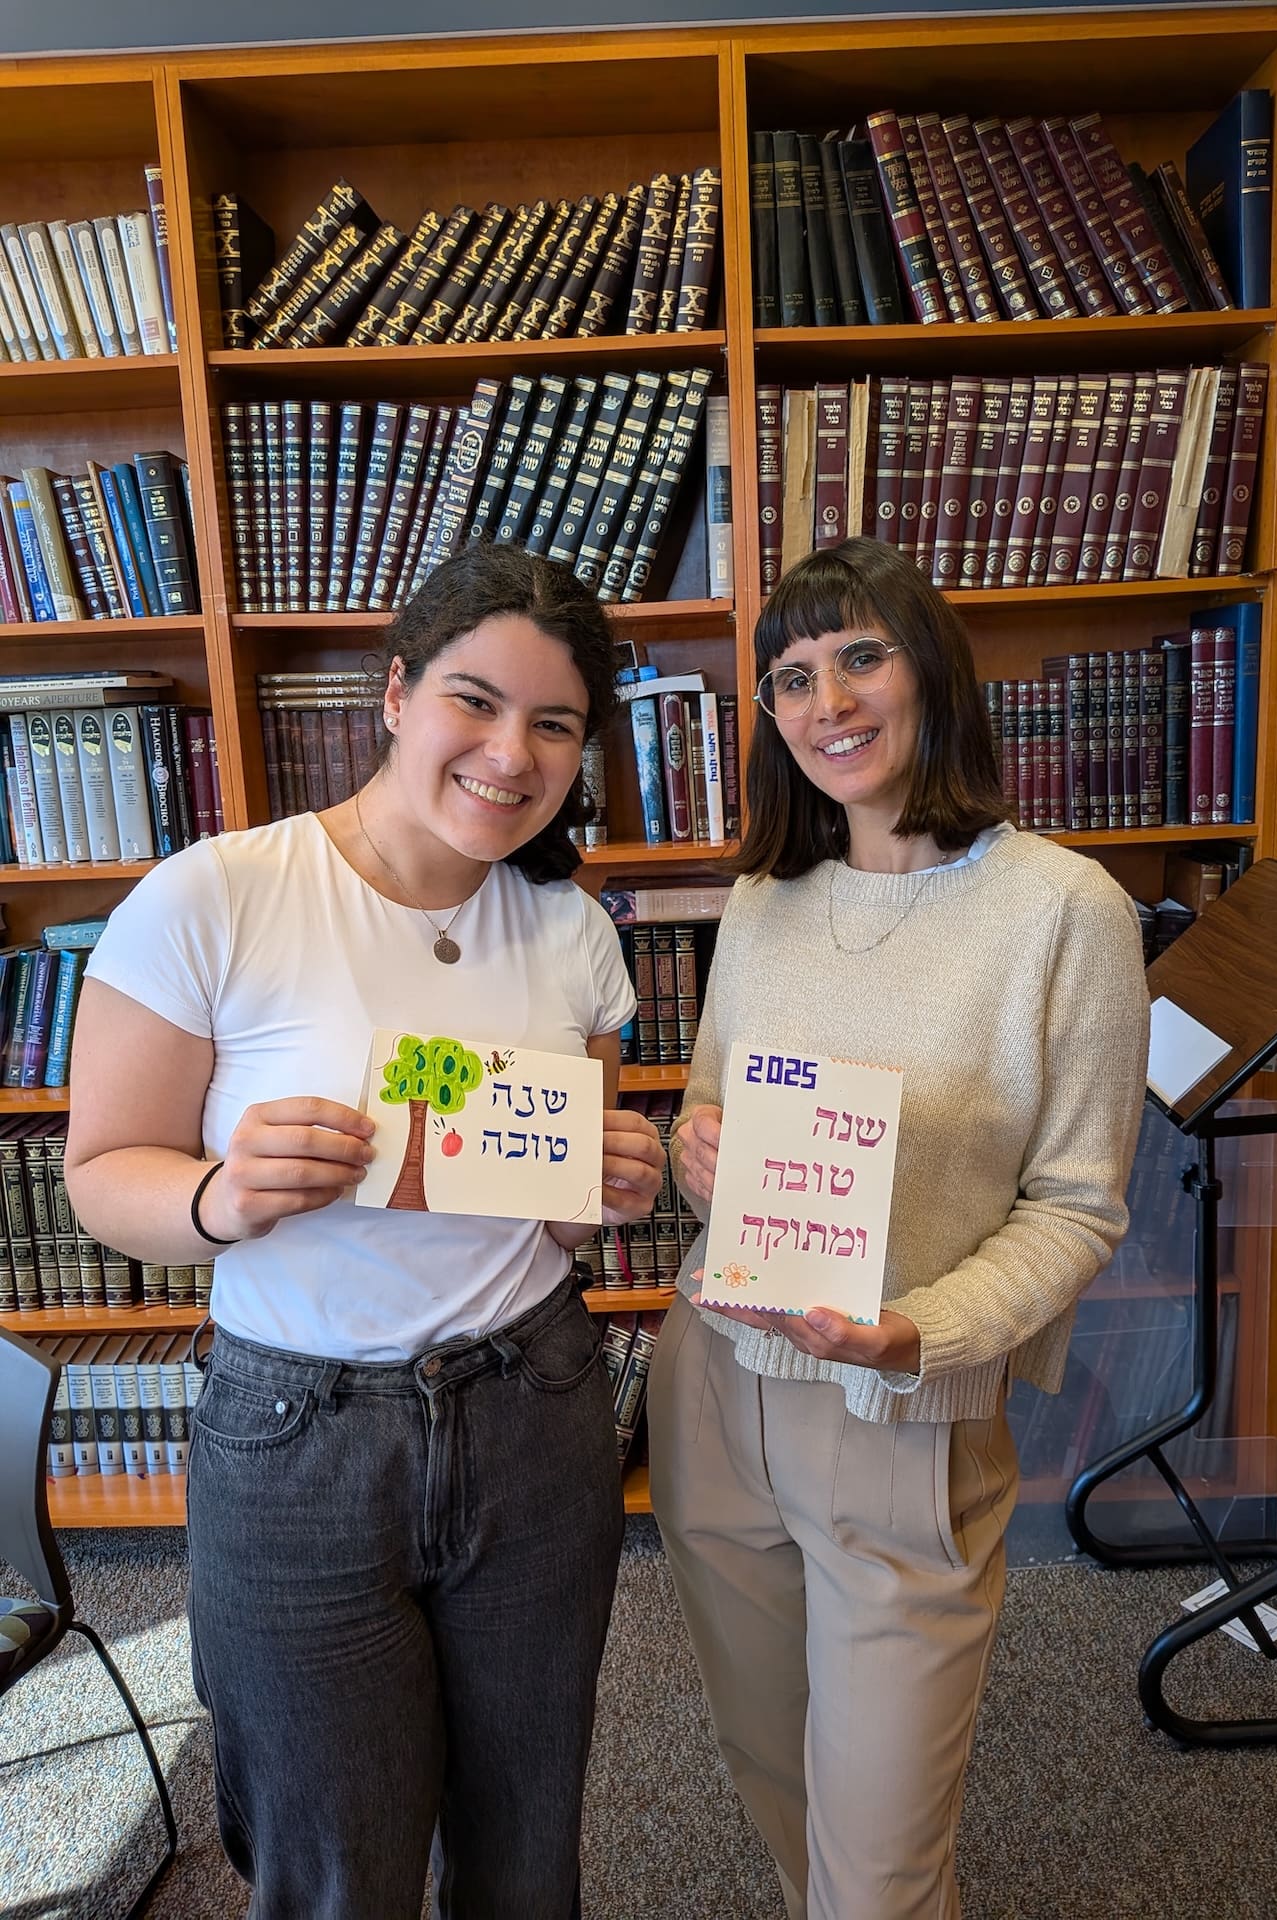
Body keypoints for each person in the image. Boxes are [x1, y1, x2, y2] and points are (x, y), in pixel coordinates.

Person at [64, 540, 666, 1920]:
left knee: (526, 1848)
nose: (511, 754)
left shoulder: (571, 929)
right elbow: (102, 1174)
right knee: (335, 1867)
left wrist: (602, 1190)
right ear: (394, 694)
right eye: (475, 700)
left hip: (535, 1405)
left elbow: (557, 1224)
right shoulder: (217, 895)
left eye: (555, 724)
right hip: (296, 1439)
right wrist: (221, 1193)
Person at [648, 535, 1149, 1920]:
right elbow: (715, 1131)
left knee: (881, 1861)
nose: (827, 702)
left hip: (901, 1412)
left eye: (861, 656)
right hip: (716, 1385)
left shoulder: (1065, 913)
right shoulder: (764, 901)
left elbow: (1077, 1206)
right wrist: (700, 1156)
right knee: (769, 1757)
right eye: (792, 676)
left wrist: (919, 1331)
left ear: (931, 671)